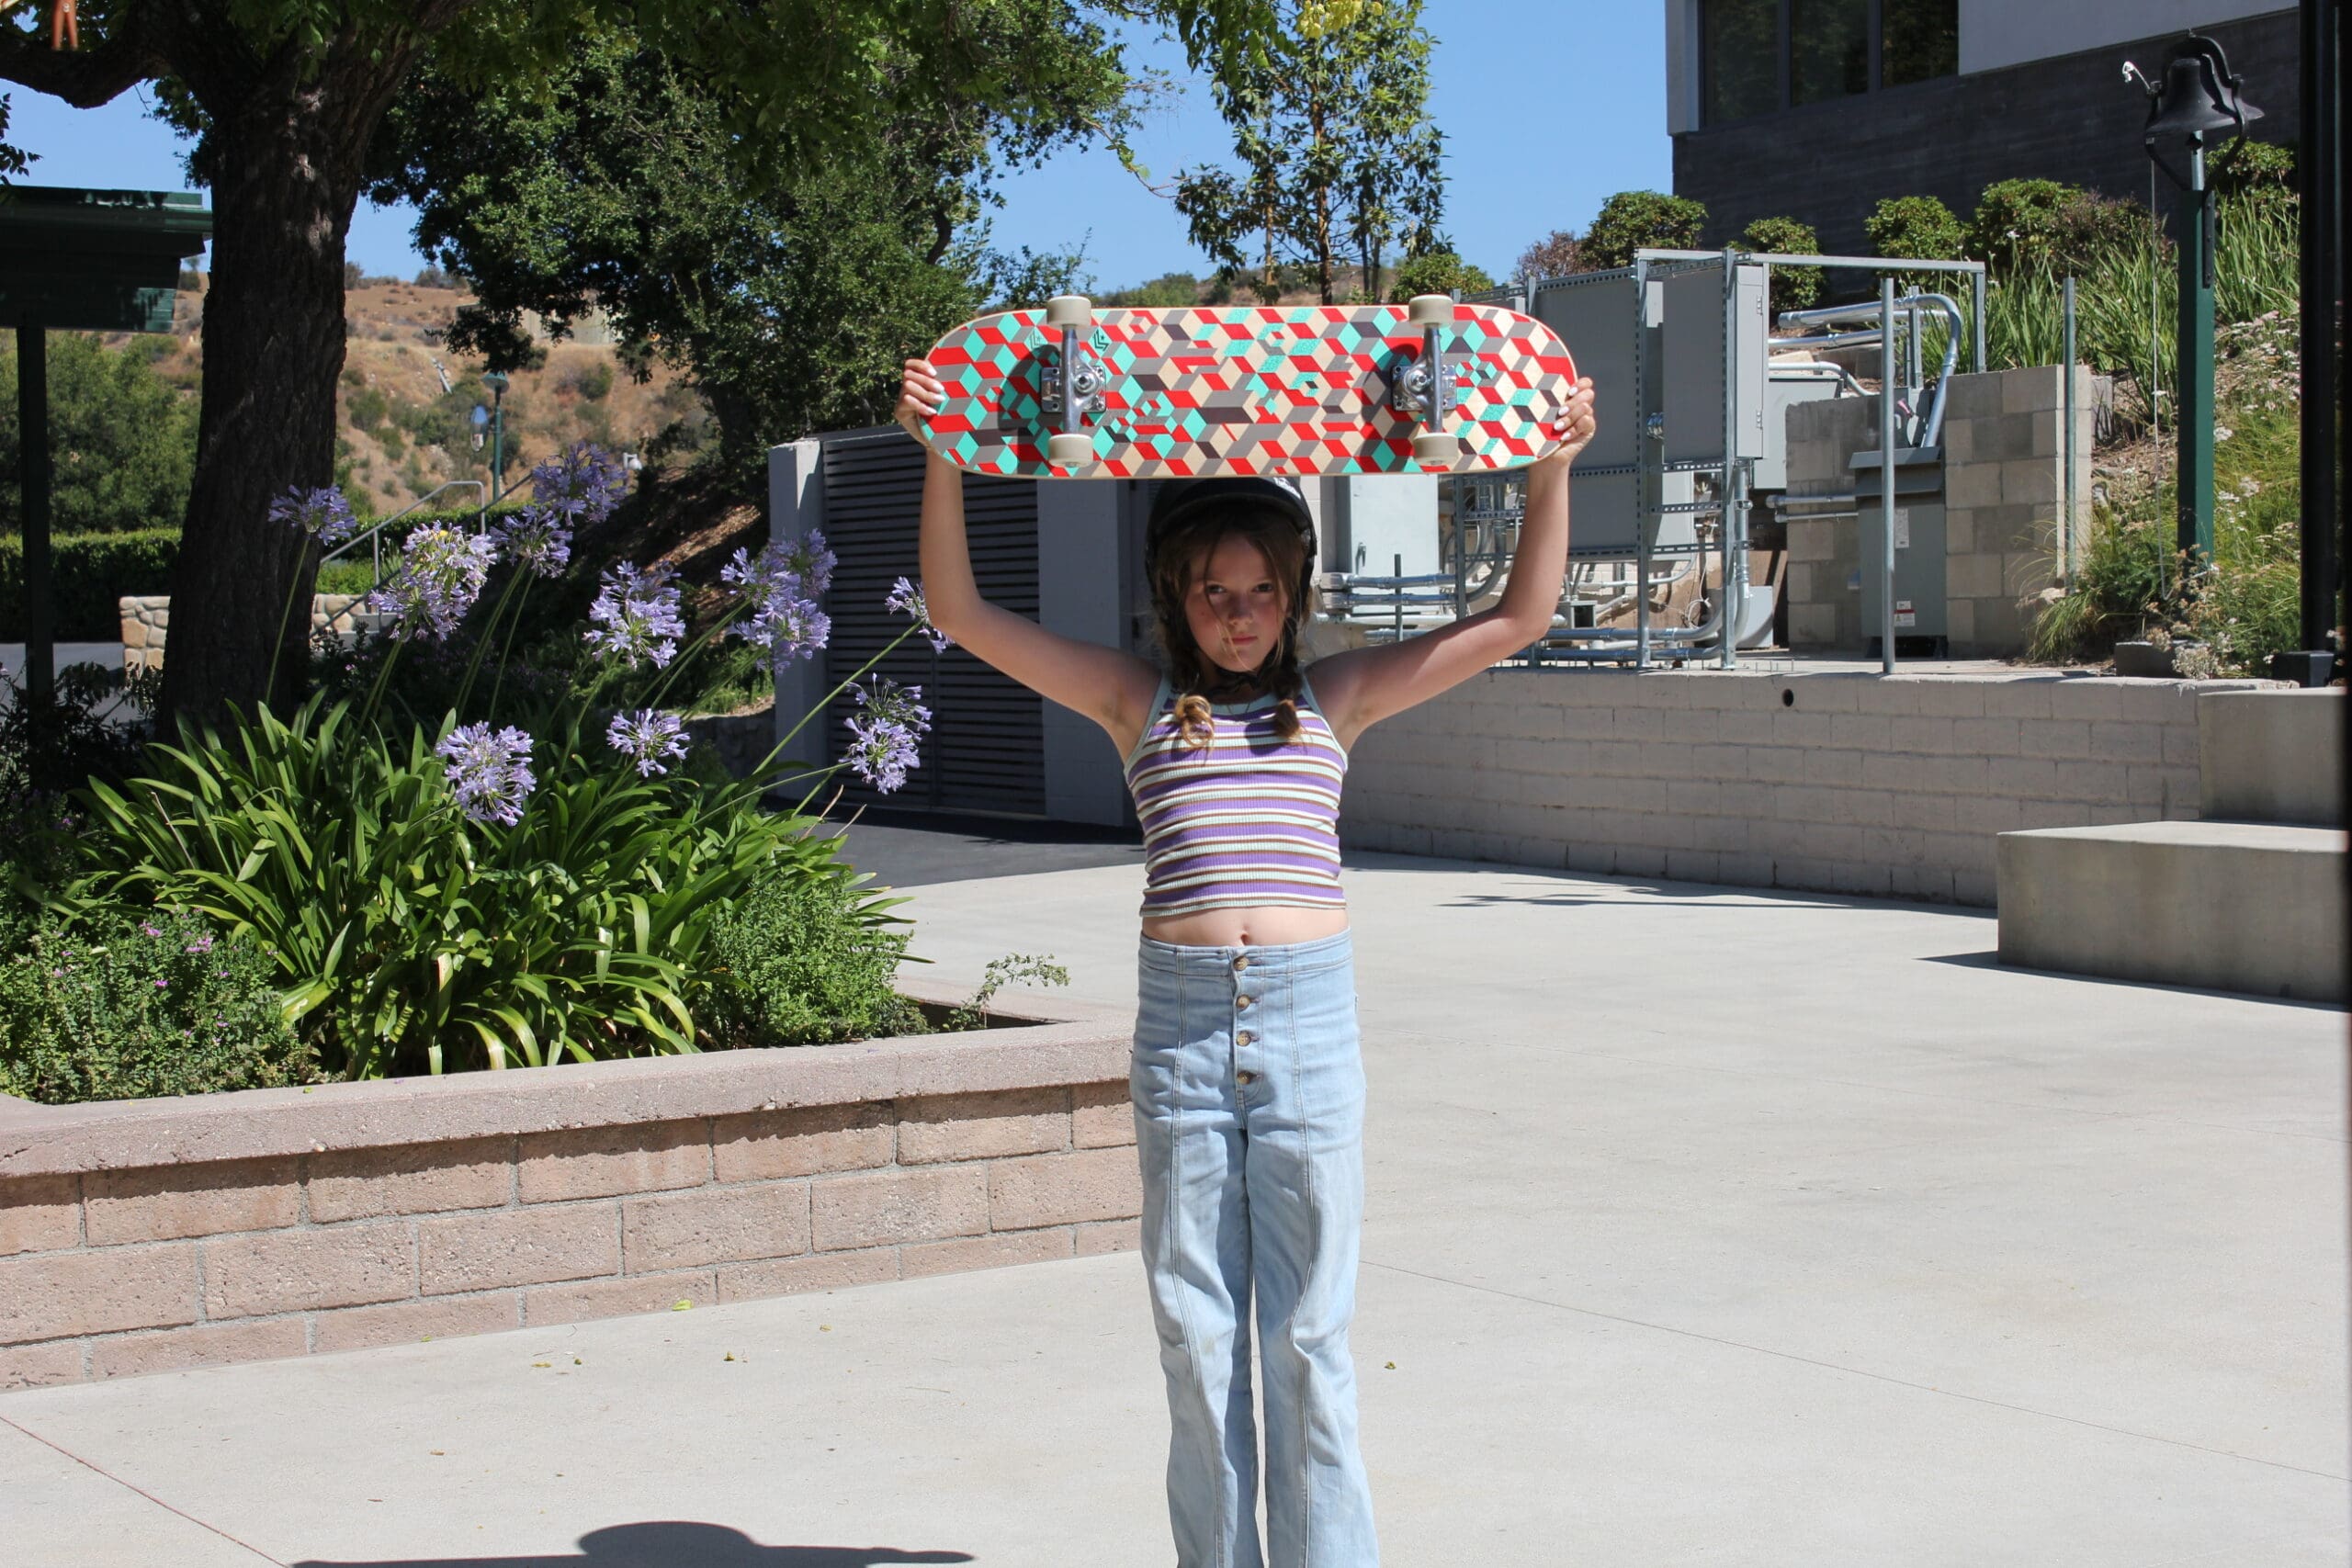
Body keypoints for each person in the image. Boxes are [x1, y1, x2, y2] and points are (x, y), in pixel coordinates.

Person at [897, 357, 1597, 1568]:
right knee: (1196, 1330)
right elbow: (960, 615)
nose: (1239, 613)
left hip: (1309, 1029)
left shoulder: (1336, 699)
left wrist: (1553, 470)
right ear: (1177, 595)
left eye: (1262, 591)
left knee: (1312, 1342)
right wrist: (942, 456)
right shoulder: (1137, 702)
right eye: (1216, 592)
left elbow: (1518, 619)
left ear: (1293, 596)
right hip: (1182, 1038)